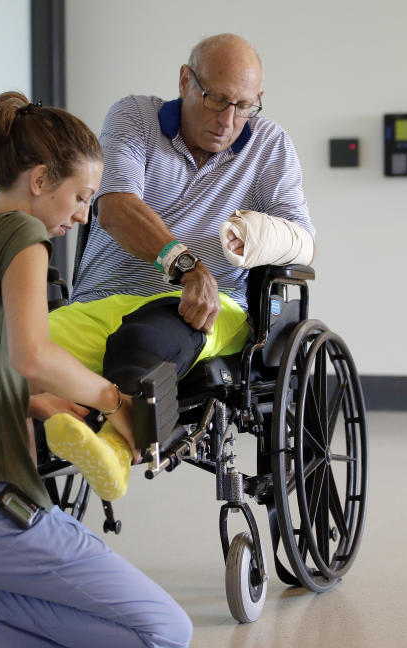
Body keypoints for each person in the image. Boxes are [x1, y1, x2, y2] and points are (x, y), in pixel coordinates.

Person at [0, 91, 193, 648]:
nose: (84, 214)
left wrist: (36, 402)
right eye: (81, 196)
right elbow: (33, 355)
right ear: (41, 180)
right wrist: (115, 403)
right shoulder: (24, 236)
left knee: (105, 631)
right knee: (165, 632)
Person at [49, 34, 315, 413]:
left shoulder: (269, 145)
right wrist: (187, 266)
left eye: (243, 107)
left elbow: (302, 239)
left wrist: (254, 236)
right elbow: (116, 207)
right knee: (4, 356)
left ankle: (114, 441)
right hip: (101, 304)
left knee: (143, 340)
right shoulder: (135, 117)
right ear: (185, 80)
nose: (227, 121)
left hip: (202, 310)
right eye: (217, 100)